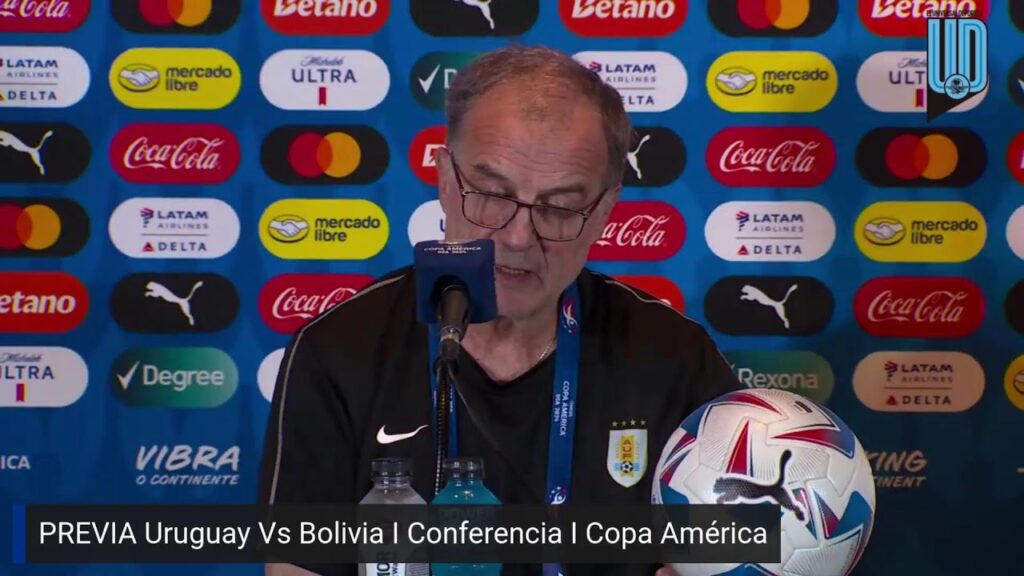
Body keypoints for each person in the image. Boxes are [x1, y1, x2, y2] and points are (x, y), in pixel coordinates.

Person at [259, 45, 741, 576]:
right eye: (491, 194)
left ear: (605, 209)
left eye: (559, 208)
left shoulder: (674, 357)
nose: (517, 237)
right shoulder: (338, 350)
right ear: (446, 180)